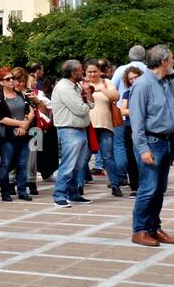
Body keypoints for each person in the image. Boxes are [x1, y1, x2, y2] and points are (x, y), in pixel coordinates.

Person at [129, 45, 174, 249]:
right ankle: (140, 230)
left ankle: (153, 227)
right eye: (172, 59)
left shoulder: (164, 82)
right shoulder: (143, 84)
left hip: (165, 141)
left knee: (159, 189)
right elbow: (137, 121)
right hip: (151, 142)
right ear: (163, 61)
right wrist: (143, 149)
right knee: (148, 189)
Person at [50, 59, 93, 208]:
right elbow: (81, 109)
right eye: (81, 70)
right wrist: (86, 104)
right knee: (68, 165)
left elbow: (90, 105)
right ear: (74, 73)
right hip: (69, 130)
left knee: (78, 166)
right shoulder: (64, 88)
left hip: (80, 129)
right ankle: (59, 195)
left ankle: (73, 194)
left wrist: (87, 92)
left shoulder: (75, 86)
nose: (84, 72)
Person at [0, 67, 34, 201]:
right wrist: (19, 124)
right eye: (7, 79)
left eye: (12, 78)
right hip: (7, 136)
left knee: (22, 164)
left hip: (23, 134)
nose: (11, 81)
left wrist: (25, 123)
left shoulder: (21, 95)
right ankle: (5, 191)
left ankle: (22, 190)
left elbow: (29, 111)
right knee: (6, 164)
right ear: (1, 82)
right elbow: (1, 118)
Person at [85, 61, 123, 197]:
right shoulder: (82, 84)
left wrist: (101, 89)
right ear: (85, 72)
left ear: (99, 71)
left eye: (95, 71)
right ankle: (78, 185)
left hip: (105, 125)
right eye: (89, 72)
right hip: (87, 127)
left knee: (108, 157)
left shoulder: (106, 82)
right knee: (83, 158)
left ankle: (115, 184)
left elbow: (116, 96)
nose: (92, 74)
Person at [117, 66, 143, 193]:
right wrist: (138, 111)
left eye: (135, 77)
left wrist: (132, 112)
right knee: (131, 158)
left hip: (143, 127)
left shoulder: (146, 91)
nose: (133, 80)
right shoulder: (127, 93)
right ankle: (134, 186)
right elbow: (123, 110)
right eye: (130, 79)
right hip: (129, 127)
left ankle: (145, 184)